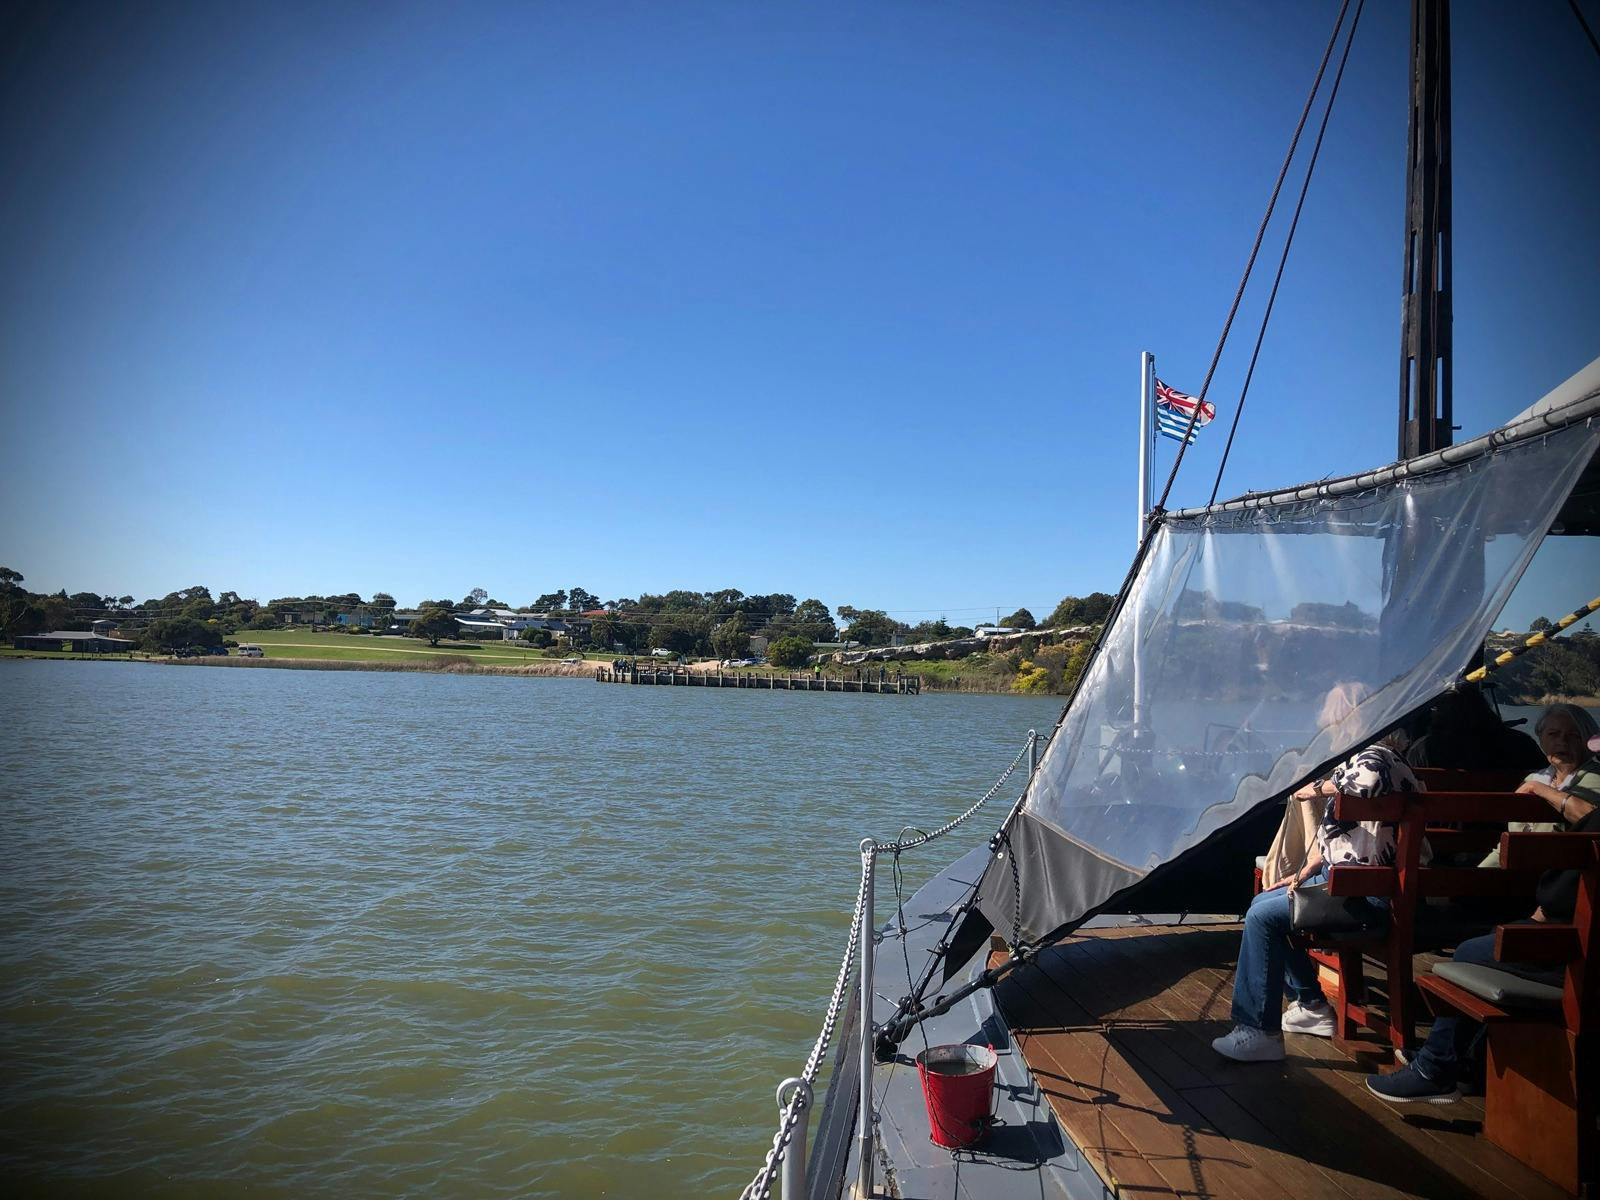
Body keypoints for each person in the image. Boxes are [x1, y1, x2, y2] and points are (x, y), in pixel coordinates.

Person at [1366, 739, 1599, 1104]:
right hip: (1576, 951)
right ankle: (1470, 1067)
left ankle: (1435, 1069)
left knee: (1471, 953)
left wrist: (1540, 912)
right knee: (1493, 940)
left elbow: (1557, 896)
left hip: (1576, 964)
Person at [1213, 683, 1423, 1062]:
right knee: (1264, 903)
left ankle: (1258, 1031)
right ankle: (1311, 1004)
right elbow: (1348, 838)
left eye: (1333, 721)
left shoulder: (1376, 757)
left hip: (1369, 897)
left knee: (1263, 917)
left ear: (1353, 719)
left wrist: (1318, 788)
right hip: (1353, 884)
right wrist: (1305, 870)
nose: (1328, 729)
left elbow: (1368, 782)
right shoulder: (1380, 757)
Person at [1478, 702, 1600, 868]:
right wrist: (1478, 874)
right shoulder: (1534, 779)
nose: (1562, 741)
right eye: (1553, 734)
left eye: (1574, 735)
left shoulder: (1595, 777)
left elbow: (1592, 819)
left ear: (1588, 741)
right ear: (1541, 739)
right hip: (1520, 872)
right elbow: (1510, 843)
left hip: (1562, 876)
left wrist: (1540, 789)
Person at [1404, 683, 1545, 773]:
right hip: (1507, 812)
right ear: (1484, 708)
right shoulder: (1522, 744)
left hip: (1442, 812)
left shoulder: (1423, 750)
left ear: (1439, 714)